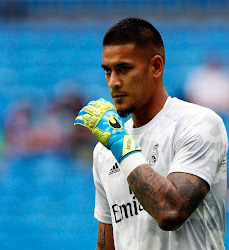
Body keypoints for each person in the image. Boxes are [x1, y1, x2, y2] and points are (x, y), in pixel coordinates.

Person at [74, 18, 228, 249]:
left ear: (156, 66)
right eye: (108, 71)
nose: (113, 82)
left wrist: (121, 145)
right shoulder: (104, 152)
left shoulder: (199, 124)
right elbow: (107, 245)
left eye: (124, 68)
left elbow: (170, 211)